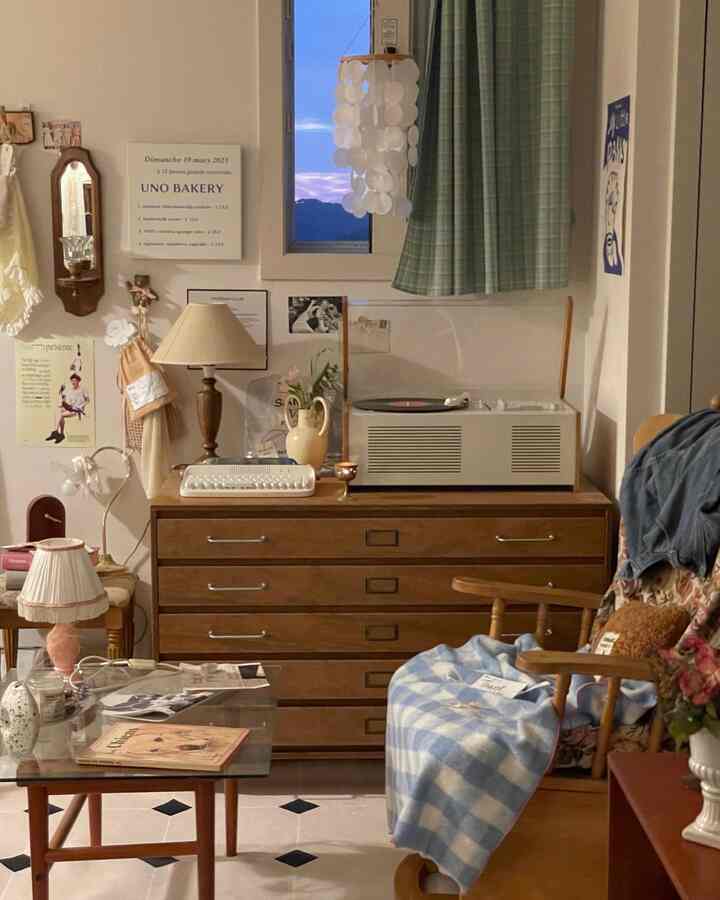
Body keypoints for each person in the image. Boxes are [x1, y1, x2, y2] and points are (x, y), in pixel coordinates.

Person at [46, 373, 89, 444]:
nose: (73, 382)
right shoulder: (71, 390)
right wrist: (62, 396)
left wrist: (81, 406)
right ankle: (60, 434)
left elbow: (87, 400)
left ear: (78, 381)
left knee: (61, 415)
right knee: (58, 411)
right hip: (70, 407)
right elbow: (68, 401)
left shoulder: (83, 389)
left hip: (77, 409)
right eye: (72, 381)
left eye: (75, 380)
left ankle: (57, 432)